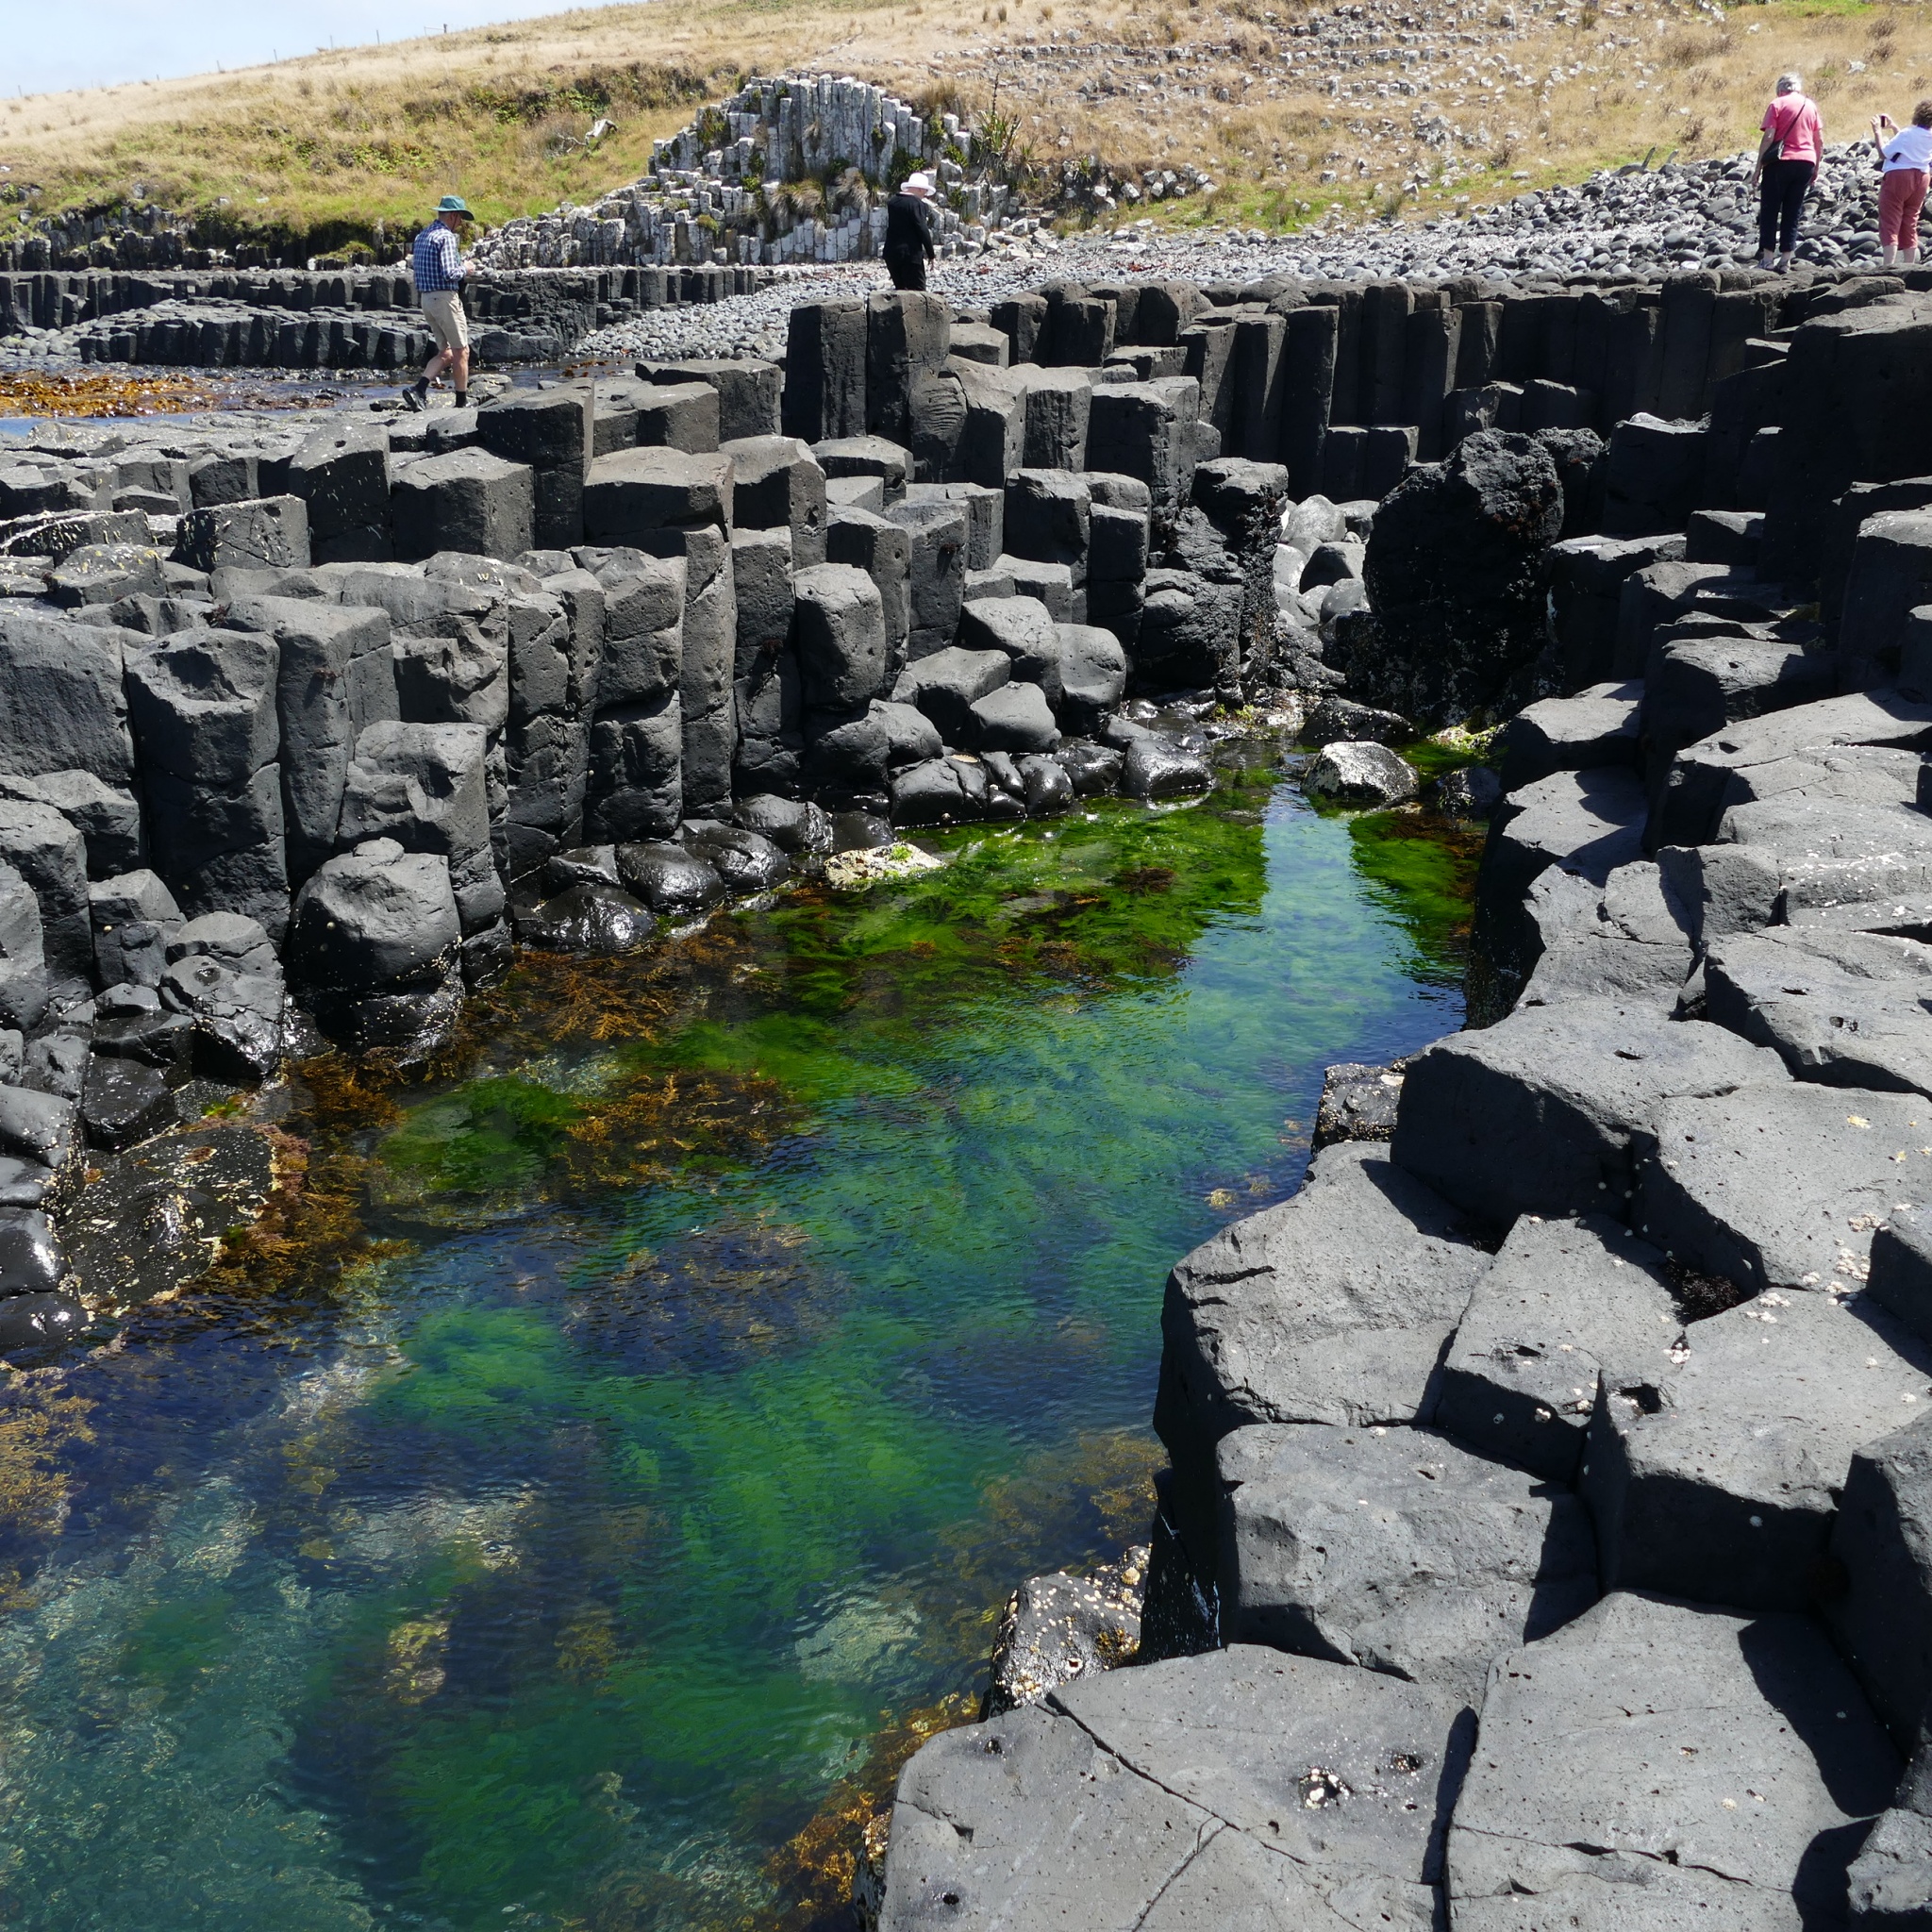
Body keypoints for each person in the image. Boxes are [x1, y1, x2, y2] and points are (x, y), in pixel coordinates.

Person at [405, 195, 474, 411]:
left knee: (447, 353)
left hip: (427, 299)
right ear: (452, 215)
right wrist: (467, 268)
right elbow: (450, 273)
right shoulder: (446, 237)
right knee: (462, 351)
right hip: (444, 299)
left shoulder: (422, 236)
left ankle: (419, 389)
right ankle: (461, 403)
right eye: (460, 217)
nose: (461, 223)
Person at [1753, 73, 1823, 274]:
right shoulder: (1810, 106)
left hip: (1780, 162)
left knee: (1770, 209)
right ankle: (1786, 259)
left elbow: (1769, 137)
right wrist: (1816, 166)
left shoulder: (1777, 104)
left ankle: (1767, 259)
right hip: (1806, 162)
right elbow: (1819, 140)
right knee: (1793, 211)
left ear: (1780, 89)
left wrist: (1758, 166)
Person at [1873, 101, 1932, 268]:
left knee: (1891, 219)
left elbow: (1884, 153)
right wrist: (1894, 127)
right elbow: (1907, 145)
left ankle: (1888, 265)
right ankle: (1910, 266)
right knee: (1910, 220)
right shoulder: (1928, 135)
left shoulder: (1907, 133)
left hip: (1898, 177)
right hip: (1922, 177)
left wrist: (1877, 132)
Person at [883, 172, 937, 292]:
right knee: (918, 294)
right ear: (919, 189)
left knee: (901, 292)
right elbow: (922, 229)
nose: (925, 195)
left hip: (891, 254)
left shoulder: (892, 202)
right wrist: (931, 254)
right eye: (925, 192)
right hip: (910, 255)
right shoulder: (917, 204)